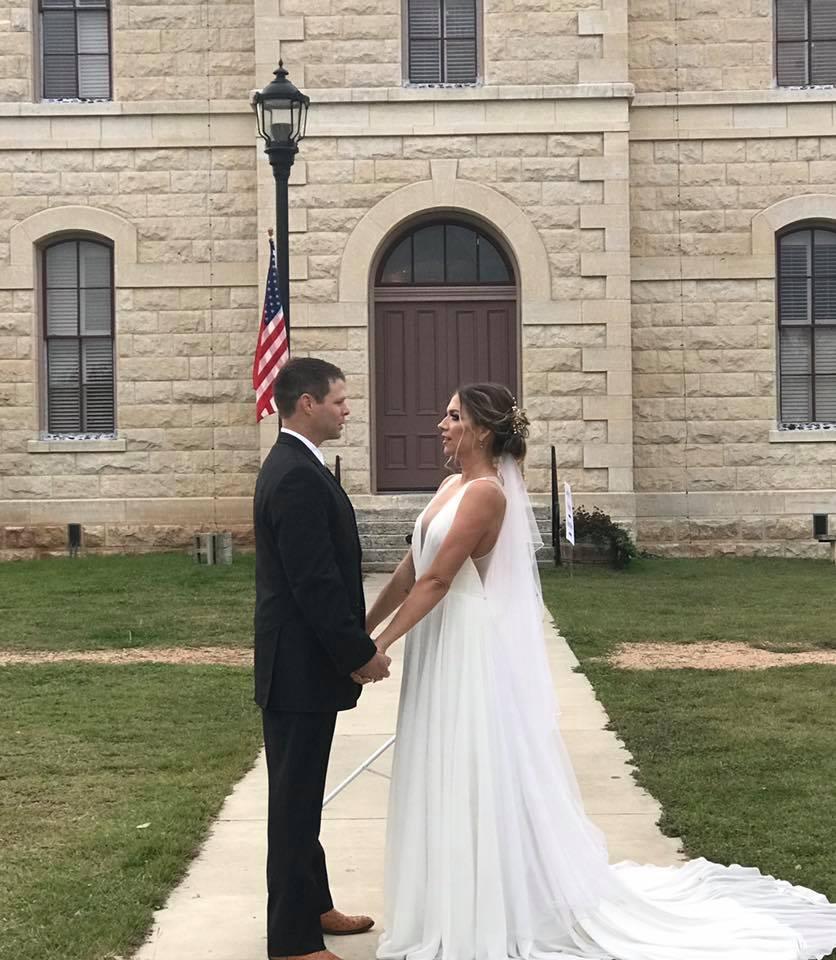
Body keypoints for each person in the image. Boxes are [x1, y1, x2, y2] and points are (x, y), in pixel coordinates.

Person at [362, 382, 836, 960]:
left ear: (482, 431)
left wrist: (382, 646)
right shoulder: (447, 487)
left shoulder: (486, 495)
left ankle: (486, 905)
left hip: (464, 641)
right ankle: (444, 900)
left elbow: (439, 580)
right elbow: (410, 571)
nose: (441, 423)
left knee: (470, 766)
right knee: (437, 760)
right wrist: (363, 631)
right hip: (437, 640)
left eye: (454, 415)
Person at [253, 357, 392, 960]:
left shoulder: (301, 465)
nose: (347, 410)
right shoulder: (294, 476)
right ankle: (292, 942)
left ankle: (314, 905)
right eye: (339, 401)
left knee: (303, 797)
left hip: (303, 668)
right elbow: (314, 582)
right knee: (293, 804)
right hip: (297, 671)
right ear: (307, 403)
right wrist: (359, 652)